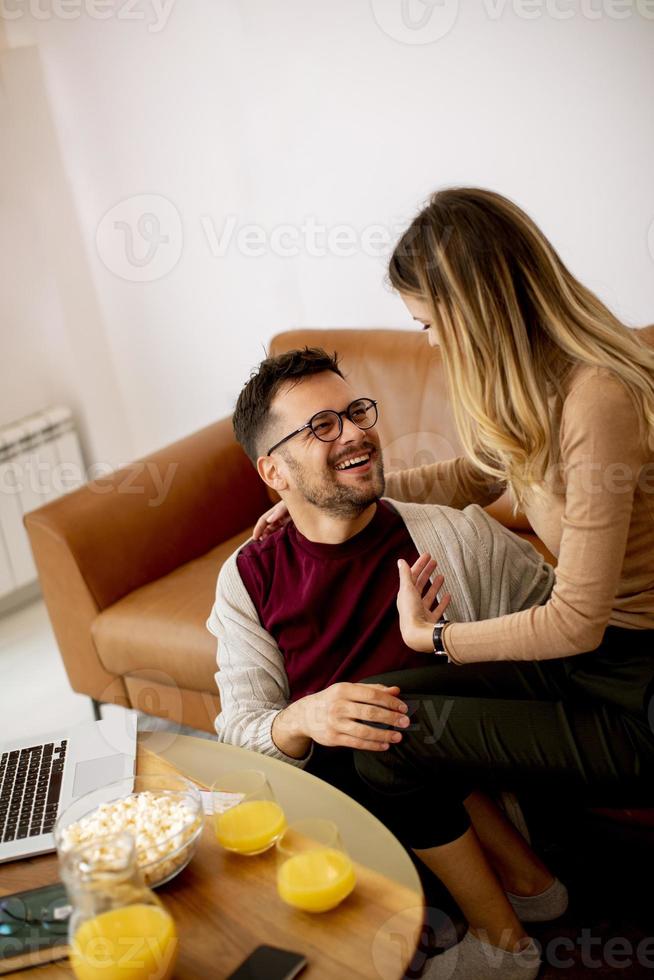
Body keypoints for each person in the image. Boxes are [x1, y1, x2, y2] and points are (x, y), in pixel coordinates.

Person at [254, 188, 654, 978]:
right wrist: (334, 492)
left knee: (390, 739)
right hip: (595, 661)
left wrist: (432, 637)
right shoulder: (537, 389)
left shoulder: (596, 397)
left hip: (634, 682)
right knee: (376, 700)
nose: (431, 343)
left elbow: (574, 620)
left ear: (477, 307)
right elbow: (474, 473)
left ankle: (506, 947)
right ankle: (534, 893)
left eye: (431, 323)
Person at [207, 345, 559, 977]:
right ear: (274, 473)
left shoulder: (453, 537)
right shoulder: (248, 577)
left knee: (390, 713)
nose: (356, 431)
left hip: (446, 807)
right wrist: (302, 718)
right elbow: (238, 728)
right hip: (339, 826)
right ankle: (524, 890)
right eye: (322, 426)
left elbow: (560, 622)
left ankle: (507, 921)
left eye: (357, 411)